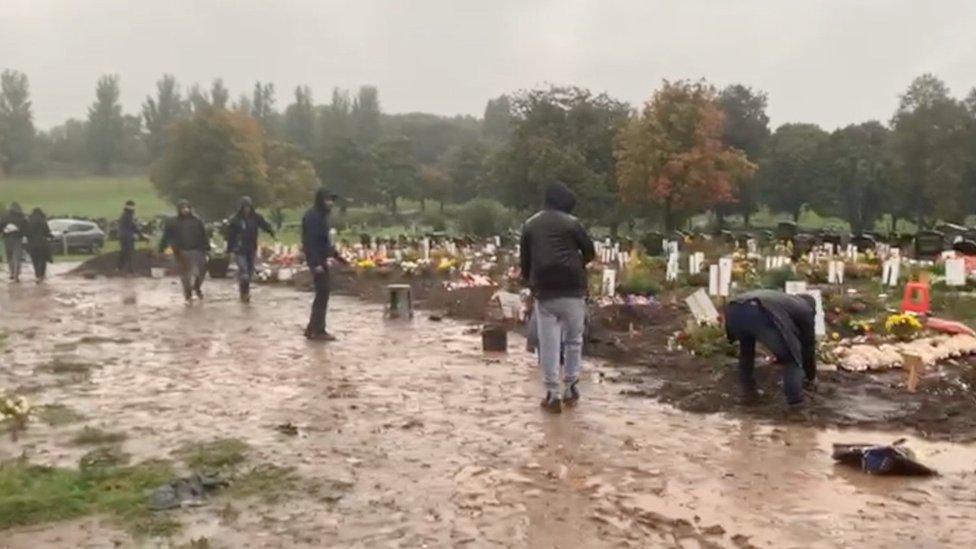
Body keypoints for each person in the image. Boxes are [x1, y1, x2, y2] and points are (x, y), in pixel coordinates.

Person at [520, 182, 595, 413]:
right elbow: (590, 251)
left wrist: (530, 283)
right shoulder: (573, 224)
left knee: (549, 344)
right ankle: (571, 386)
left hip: (545, 291)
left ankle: (552, 394)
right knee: (574, 341)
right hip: (573, 289)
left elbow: (525, 260)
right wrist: (576, 265)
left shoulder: (530, 225)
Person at [724, 289, 817, 406]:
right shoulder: (805, 309)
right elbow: (808, 346)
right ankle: (796, 404)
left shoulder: (784, 301)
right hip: (758, 310)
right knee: (793, 360)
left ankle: (747, 392)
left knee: (746, 352)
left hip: (733, 308)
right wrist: (810, 377)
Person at [301, 188, 346, 340]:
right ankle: (318, 330)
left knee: (322, 293)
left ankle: (312, 328)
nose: (330, 203)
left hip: (321, 259)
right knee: (322, 293)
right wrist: (315, 264)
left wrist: (338, 257)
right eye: (327, 200)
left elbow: (325, 242)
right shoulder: (313, 217)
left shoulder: (321, 216)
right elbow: (310, 242)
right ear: (321, 200)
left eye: (332, 200)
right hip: (317, 261)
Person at [158, 199, 210, 302]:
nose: (185, 210)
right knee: (185, 274)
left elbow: (203, 235)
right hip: (180, 251)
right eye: (183, 208)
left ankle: (196, 286)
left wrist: (207, 247)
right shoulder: (172, 222)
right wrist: (162, 248)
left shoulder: (197, 221)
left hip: (197, 250)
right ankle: (188, 294)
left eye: (187, 207)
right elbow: (166, 236)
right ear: (179, 209)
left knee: (202, 271)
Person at [225, 196, 275, 302]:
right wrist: (229, 249)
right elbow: (230, 235)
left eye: (248, 207)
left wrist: (271, 231)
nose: (246, 209)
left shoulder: (256, 217)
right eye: (244, 207)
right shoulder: (235, 220)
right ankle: (243, 293)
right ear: (241, 208)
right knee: (244, 272)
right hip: (239, 249)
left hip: (251, 248)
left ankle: (246, 292)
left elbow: (264, 225)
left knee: (250, 272)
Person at [2, 203, 29, 283]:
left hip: (7, 238)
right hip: (17, 238)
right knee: (17, 257)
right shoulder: (21, 217)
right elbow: (26, 227)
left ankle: (11, 273)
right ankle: (16, 275)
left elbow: (0, 225)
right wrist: (23, 234)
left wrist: (3, 232)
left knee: (10, 256)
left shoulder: (5, 216)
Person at [25, 208, 52, 283]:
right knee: (42, 260)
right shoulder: (43, 221)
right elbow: (47, 232)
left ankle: (37, 274)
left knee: (35, 260)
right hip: (42, 243)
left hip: (32, 243)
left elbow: (26, 233)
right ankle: (41, 275)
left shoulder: (28, 221)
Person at [117, 200, 143, 275]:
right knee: (129, 253)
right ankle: (129, 270)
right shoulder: (128, 216)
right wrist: (141, 234)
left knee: (124, 252)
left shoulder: (124, 215)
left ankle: (120, 268)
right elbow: (133, 226)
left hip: (123, 236)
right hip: (127, 237)